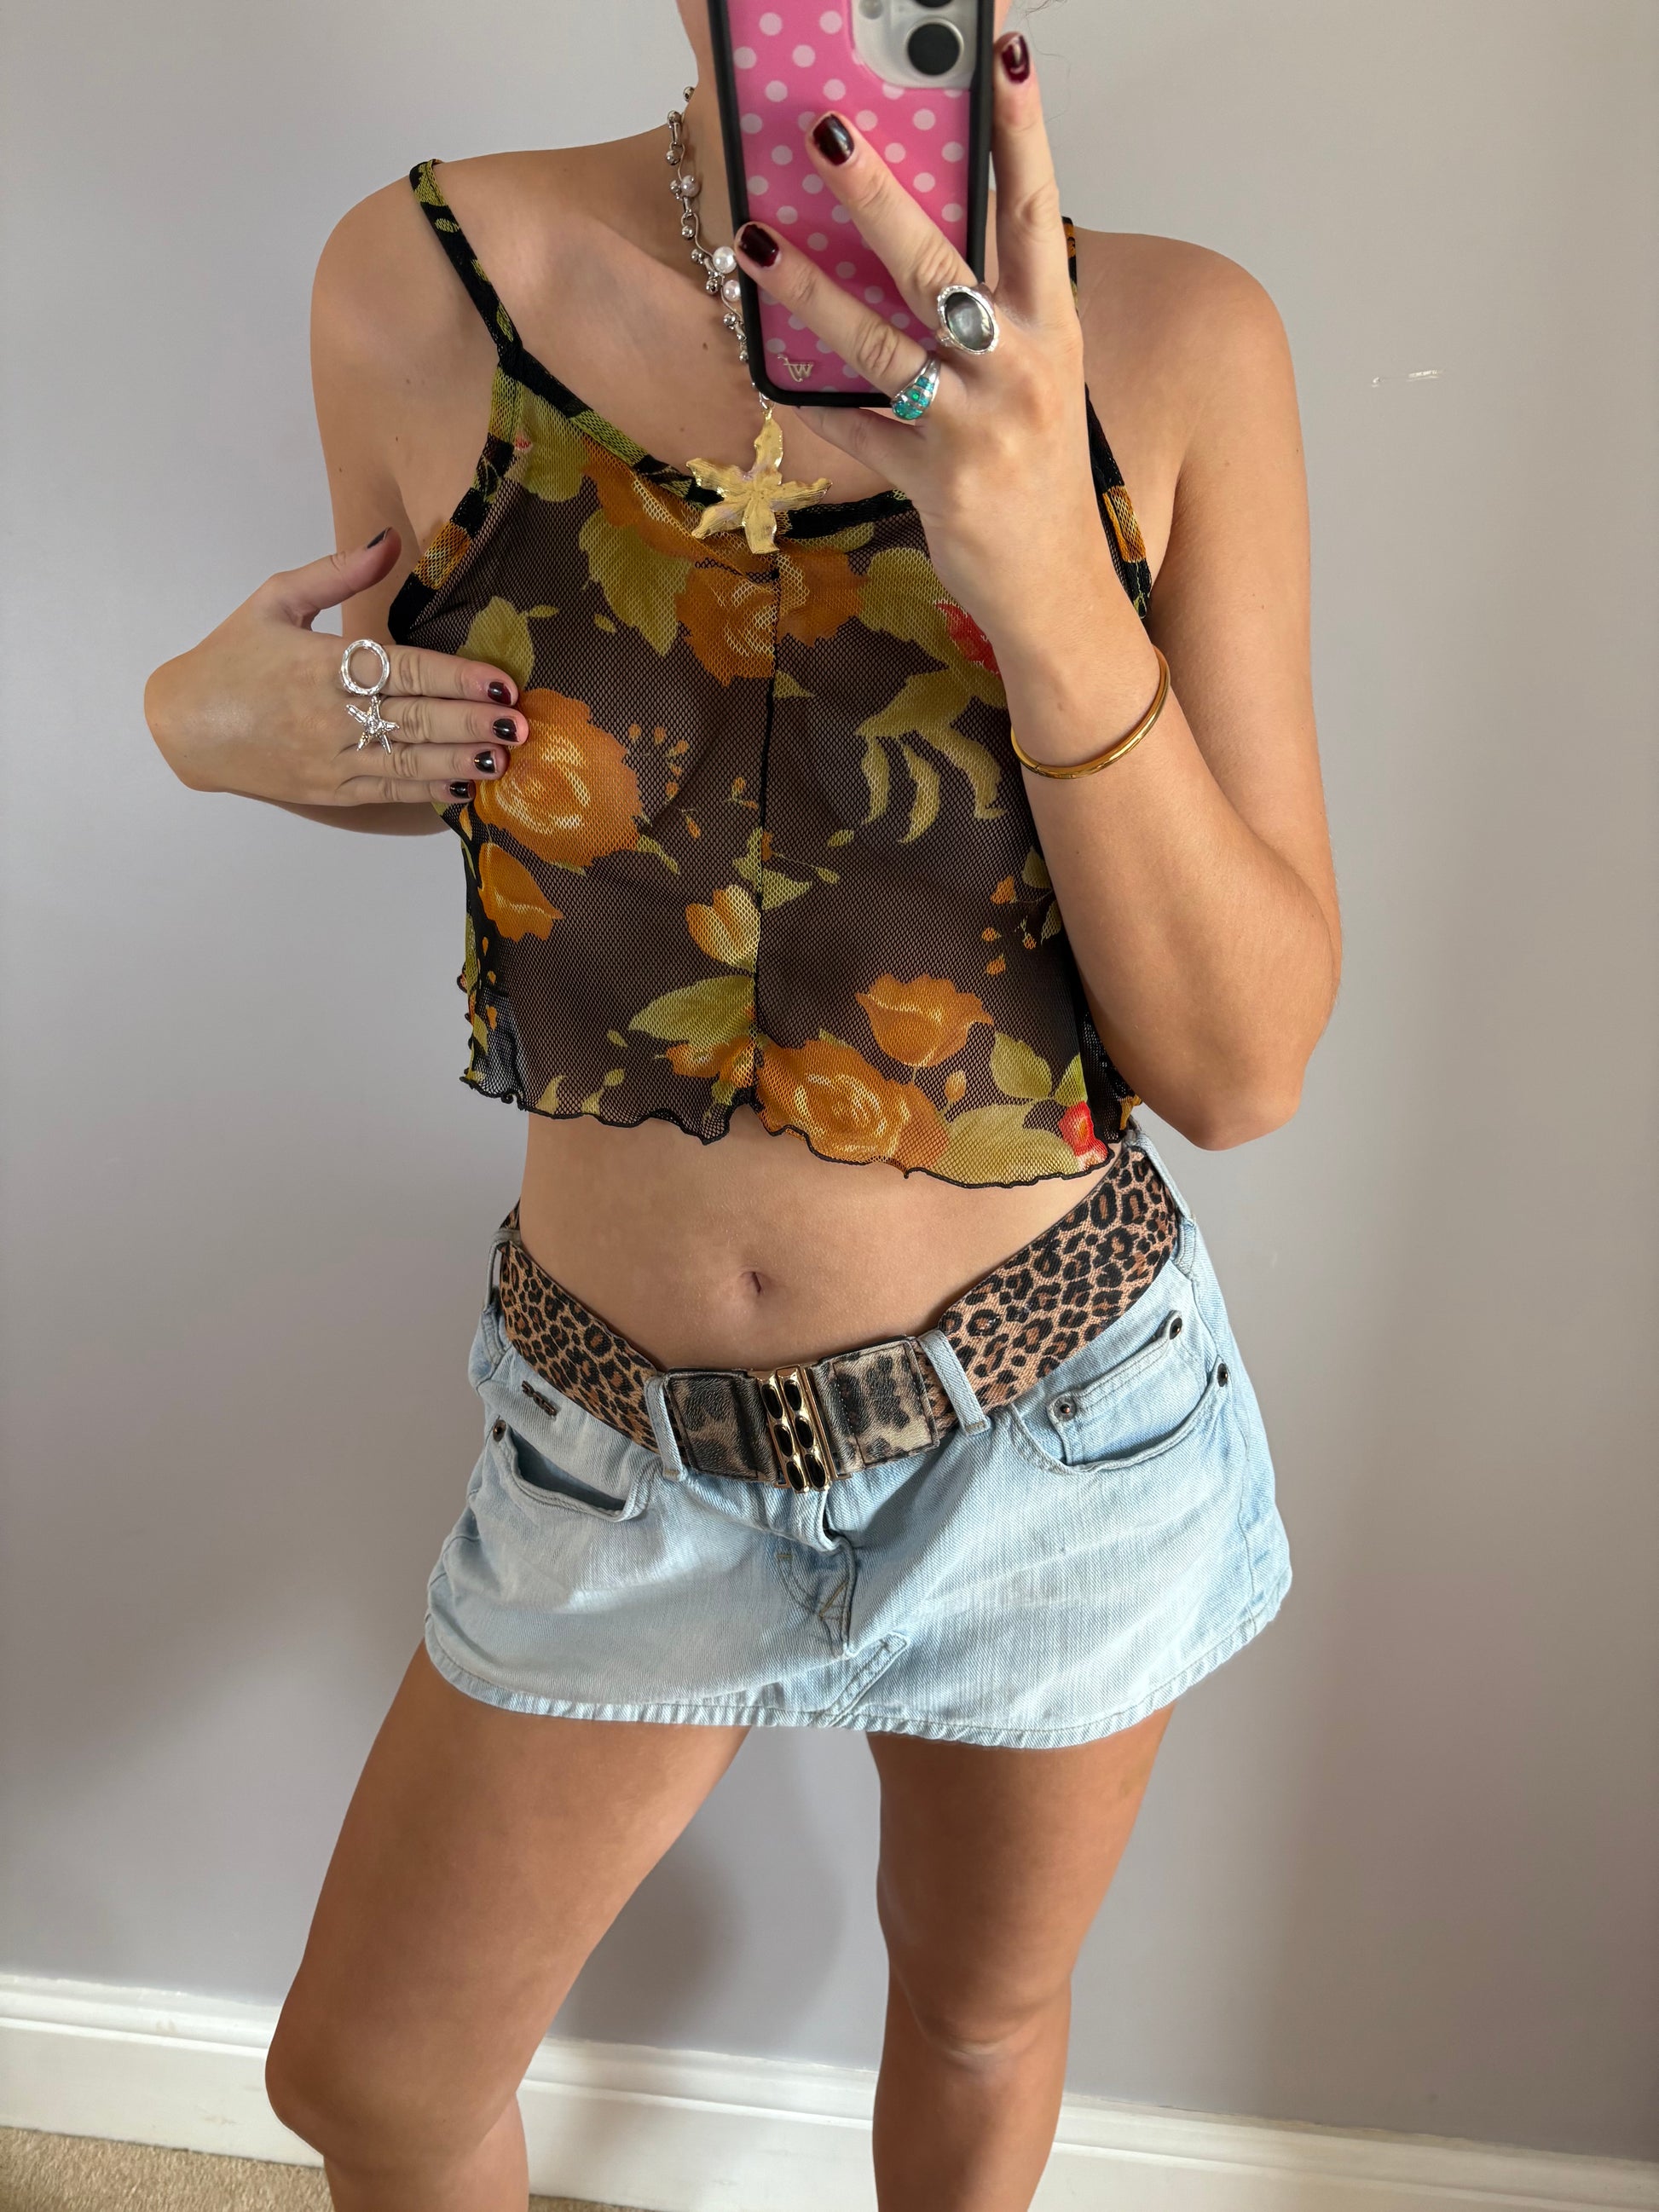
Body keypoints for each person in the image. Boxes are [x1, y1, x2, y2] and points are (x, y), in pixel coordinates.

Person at [143, 3, 1338, 2205]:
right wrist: (202, 723)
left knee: (977, 2012)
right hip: (614, 1440)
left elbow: (1242, 1064)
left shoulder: (1176, 341)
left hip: (1052, 1423)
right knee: (375, 2083)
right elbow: (485, 755)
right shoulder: (427, 279)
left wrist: (1044, 571)